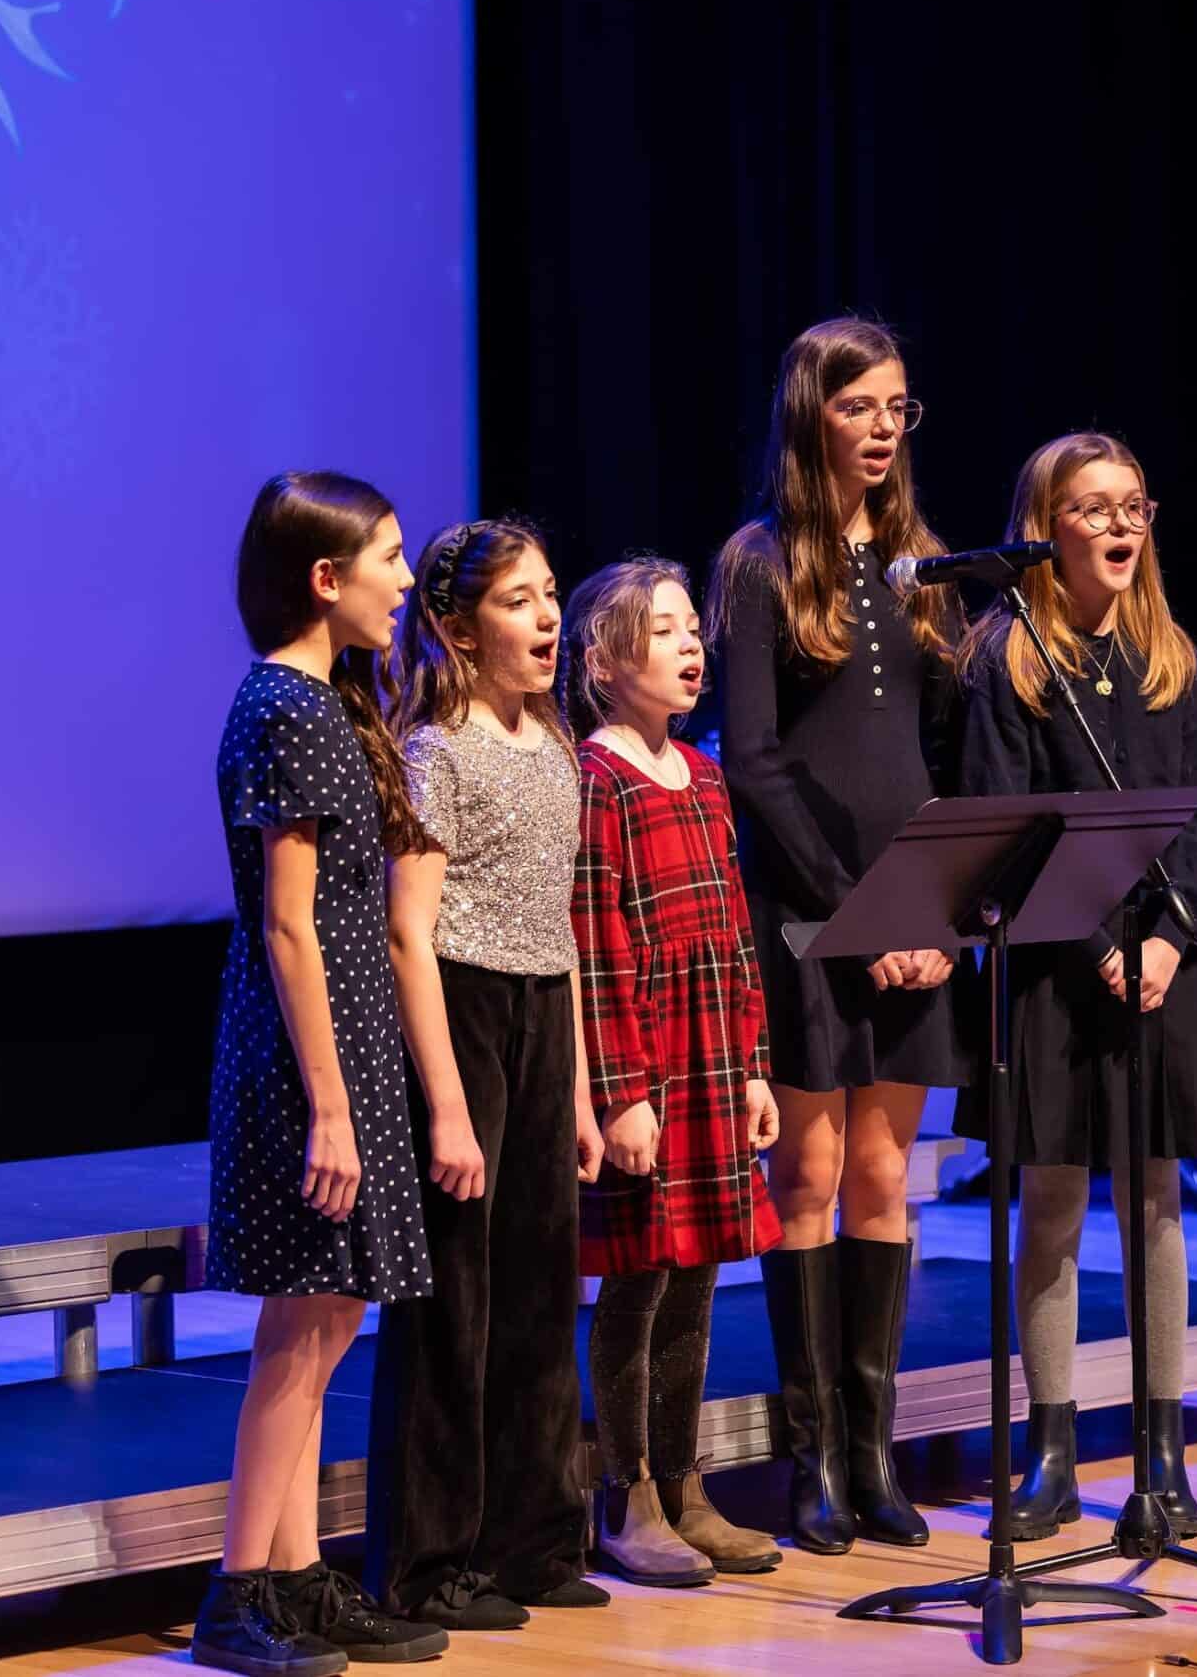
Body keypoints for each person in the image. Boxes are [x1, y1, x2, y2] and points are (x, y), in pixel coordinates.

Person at [953, 432, 1197, 1544]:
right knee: (1055, 1201)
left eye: (1133, 505)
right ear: (1045, 529)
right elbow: (1006, 832)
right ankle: (1053, 1452)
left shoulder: (1171, 662)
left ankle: (1163, 1455)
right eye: (1092, 508)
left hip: (1166, 966)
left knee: (1157, 1197)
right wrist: (1094, 950)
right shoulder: (1009, 662)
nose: (1120, 525)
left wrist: (1167, 939)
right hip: (1057, 969)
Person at [708, 316, 967, 1552]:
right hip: (806, 910)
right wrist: (853, 913)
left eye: (897, 408)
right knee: (806, 1177)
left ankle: (873, 1456)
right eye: (860, 406)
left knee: (882, 1177)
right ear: (811, 412)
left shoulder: (923, 562)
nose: (882, 429)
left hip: (914, 909)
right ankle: (810, 1458)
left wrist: (942, 904)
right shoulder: (759, 561)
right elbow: (753, 759)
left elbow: (950, 750)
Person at [196, 471, 450, 1674]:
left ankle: (297, 1579)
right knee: (299, 1330)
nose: (403, 580)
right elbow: (289, 925)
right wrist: (333, 1108)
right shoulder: (283, 709)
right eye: (388, 558)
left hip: (342, 1046)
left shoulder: (325, 703)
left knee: (331, 1319)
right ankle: (237, 1594)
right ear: (323, 576)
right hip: (308, 1064)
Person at [366, 519, 607, 1628]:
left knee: (540, 1290)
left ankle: (534, 1541)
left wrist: (581, 1090)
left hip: (542, 1012)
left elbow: (560, 928)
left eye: (550, 593)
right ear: (460, 630)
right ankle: (428, 1563)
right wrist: (450, 1108)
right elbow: (407, 932)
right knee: (451, 1301)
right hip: (459, 1013)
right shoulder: (436, 750)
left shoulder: (555, 747)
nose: (548, 616)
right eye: (519, 600)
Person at [560, 557, 785, 1586]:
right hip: (647, 1063)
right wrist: (622, 1092)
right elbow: (596, 945)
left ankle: (688, 1483)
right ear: (605, 661)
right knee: (638, 1281)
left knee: (697, 1279)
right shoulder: (595, 779)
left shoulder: (702, 774)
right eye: (662, 629)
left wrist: (753, 1066)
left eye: (692, 626)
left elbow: (734, 934)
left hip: (710, 1057)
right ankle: (628, 1491)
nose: (690, 644)